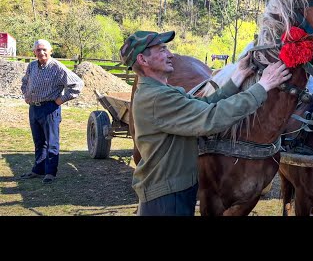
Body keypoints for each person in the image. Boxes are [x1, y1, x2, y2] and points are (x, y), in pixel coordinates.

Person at [120, 30, 291, 216]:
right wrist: (262, 87)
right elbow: (211, 118)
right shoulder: (156, 98)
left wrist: (236, 78)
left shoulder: (162, 92)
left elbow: (203, 105)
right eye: (161, 50)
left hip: (171, 192)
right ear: (143, 60)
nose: (170, 54)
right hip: (165, 200)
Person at [20, 39, 84, 184]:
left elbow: (78, 84)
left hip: (50, 108)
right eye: (38, 50)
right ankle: (38, 170)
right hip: (34, 108)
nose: (41, 52)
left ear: (50, 51)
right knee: (39, 141)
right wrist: (26, 94)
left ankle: (50, 172)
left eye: (44, 50)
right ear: (34, 52)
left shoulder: (57, 67)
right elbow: (25, 81)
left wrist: (61, 99)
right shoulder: (31, 66)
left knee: (51, 142)